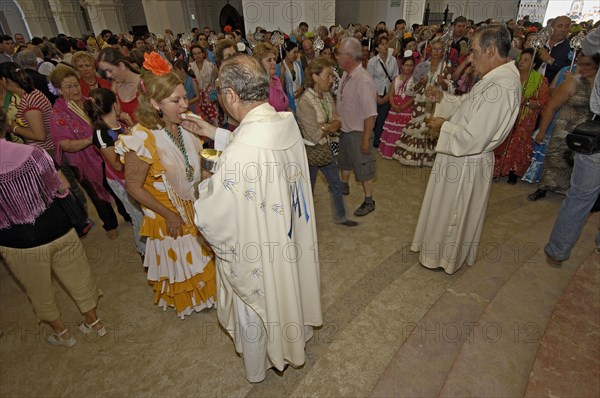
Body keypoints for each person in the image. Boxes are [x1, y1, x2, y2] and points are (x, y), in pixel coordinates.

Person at [192, 53, 322, 383]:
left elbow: (213, 217)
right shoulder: (283, 121)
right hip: (288, 232)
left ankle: (259, 366)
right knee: (288, 285)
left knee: (256, 307)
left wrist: (205, 187)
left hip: (259, 250)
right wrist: (213, 131)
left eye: (221, 91)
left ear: (232, 95)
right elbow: (254, 143)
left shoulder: (240, 155)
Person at [412, 24, 521, 274]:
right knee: (444, 208)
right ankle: (436, 251)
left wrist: (444, 126)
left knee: (452, 213)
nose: (470, 58)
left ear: (491, 50)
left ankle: (442, 257)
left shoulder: (502, 88)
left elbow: (475, 137)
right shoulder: (494, 79)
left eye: (473, 51)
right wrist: (443, 99)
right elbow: (468, 107)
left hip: (466, 162)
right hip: (460, 159)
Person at [114, 52, 216, 318]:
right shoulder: (141, 137)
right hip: (166, 213)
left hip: (192, 205)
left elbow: (199, 160)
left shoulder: (186, 125)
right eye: (176, 100)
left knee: (202, 255)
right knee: (183, 261)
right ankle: (192, 300)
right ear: (155, 103)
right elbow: (134, 186)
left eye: (184, 97)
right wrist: (169, 214)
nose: (185, 104)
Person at [0, 108, 105, 347]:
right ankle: (95, 323)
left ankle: (63, 335)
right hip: (59, 227)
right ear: (5, 125)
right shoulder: (35, 153)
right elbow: (62, 186)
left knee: (38, 290)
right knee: (78, 275)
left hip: (19, 242)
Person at [544, 27, 600, 266]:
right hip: (595, 135)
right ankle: (558, 249)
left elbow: (589, 43)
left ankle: (557, 251)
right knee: (580, 195)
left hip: (596, 131)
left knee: (579, 196)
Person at [48, 64, 119, 238]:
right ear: (58, 90)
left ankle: (127, 215)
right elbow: (65, 144)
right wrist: (90, 140)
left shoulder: (90, 102)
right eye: (69, 86)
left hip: (104, 153)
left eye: (76, 84)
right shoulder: (57, 114)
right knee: (97, 194)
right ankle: (110, 224)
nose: (75, 89)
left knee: (116, 186)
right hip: (82, 161)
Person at [527, 53, 598, 201]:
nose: (582, 68)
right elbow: (551, 107)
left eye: (587, 65)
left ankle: (570, 192)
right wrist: (542, 130)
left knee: (579, 164)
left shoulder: (598, 86)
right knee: (555, 159)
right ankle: (543, 188)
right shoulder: (572, 82)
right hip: (564, 130)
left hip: (587, 133)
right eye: (580, 64)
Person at [85, 87, 146, 258]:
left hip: (133, 174)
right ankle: (144, 253)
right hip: (121, 180)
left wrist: (131, 127)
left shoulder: (121, 123)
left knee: (145, 214)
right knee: (138, 217)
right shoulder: (101, 133)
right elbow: (117, 165)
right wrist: (131, 145)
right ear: (114, 104)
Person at [296, 57, 357, 226]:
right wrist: (331, 126)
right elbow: (314, 134)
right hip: (309, 153)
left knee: (336, 183)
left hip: (324, 148)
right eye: (328, 76)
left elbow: (337, 120)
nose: (331, 80)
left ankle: (341, 217)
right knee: (308, 189)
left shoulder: (327, 96)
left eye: (332, 76)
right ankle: (303, 224)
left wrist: (327, 126)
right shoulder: (304, 101)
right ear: (315, 77)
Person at [394, 38, 454, 167]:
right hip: (421, 102)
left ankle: (429, 158)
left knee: (432, 126)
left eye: (439, 49)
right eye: (434, 49)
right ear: (430, 50)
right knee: (419, 126)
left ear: (443, 51)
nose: (436, 52)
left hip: (436, 103)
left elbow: (450, 89)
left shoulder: (446, 66)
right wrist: (420, 83)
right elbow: (411, 89)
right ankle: (414, 157)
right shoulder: (422, 65)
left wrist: (442, 82)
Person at [493, 48, 550, 183]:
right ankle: (496, 169)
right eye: (521, 59)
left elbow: (543, 102)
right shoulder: (511, 75)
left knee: (519, 143)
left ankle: (513, 170)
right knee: (502, 139)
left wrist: (527, 101)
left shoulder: (540, 80)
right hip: (506, 113)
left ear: (534, 64)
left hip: (526, 117)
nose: (521, 62)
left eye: (526, 60)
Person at [336, 37, 378, 217]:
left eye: (339, 53)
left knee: (364, 168)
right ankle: (343, 186)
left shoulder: (363, 80)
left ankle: (369, 201)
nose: (336, 56)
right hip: (346, 129)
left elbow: (371, 114)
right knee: (344, 162)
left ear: (349, 56)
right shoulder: (346, 74)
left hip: (359, 132)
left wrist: (366, 140)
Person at [378, 51, 415, 159]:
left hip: (406, 108)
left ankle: (400, 154)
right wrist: (393, 105)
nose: (408, 68)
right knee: (393, 131)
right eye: (406, 65)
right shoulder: (397, 78)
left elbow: (414, 97)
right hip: (395, 108)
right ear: (402, 66)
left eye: (411, 65)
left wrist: (403, 107)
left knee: (402, 131)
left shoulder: (414, 80)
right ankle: (390, 151)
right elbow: (391, 94)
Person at [368, 35, 399, 148]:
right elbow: (369, 81)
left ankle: (378, 140)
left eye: (386, 43)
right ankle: (370, 138)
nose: (386, 46)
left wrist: (388, 96)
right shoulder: (372, 62)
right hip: (375, 93)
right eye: (382, 44)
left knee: (382, 118)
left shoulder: (393, 60)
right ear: (377, 48)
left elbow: (395, 78)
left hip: (388, 92)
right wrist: (377, 97)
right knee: (373, 119)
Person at [98, 47, 141, 122]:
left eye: (110, 70)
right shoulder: (114, 88)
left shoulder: (145, 83)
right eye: (105, 72)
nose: (108, 75)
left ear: (121, 65)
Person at [189, 44, 221, 125]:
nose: (197, 55)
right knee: (201, 120)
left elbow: (217, 79)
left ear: (203, 54)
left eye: (199, 53)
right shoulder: (190, 67)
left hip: (209, 96)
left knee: (214, 117)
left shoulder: (211, 65)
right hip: (196, 96)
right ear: (192, 56)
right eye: (195, 54)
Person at [253, 42, 289, 111]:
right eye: (269, 60)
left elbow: (283, 102)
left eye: (274, 59)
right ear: (259, 63)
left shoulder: (276, 79)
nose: (274, 63)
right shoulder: (259, 86)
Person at [536, 16, 572, 83]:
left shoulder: (571, 47)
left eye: (567, 27)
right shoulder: (541, 42)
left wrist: (550, 60)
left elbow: (569, 69)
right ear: (551, 28)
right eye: (559, 26)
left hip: (553, 85)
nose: (563, 30)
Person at [280, 39, 304, 113]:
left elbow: (304, 81)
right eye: (294, 52)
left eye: (297, 52)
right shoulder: (279, 67)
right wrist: (282, 73)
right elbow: (279, 88)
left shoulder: (298, 65)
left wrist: (301, 89)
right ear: (287, 52)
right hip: (288, 104)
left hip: (300, 101)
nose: (297, 55)